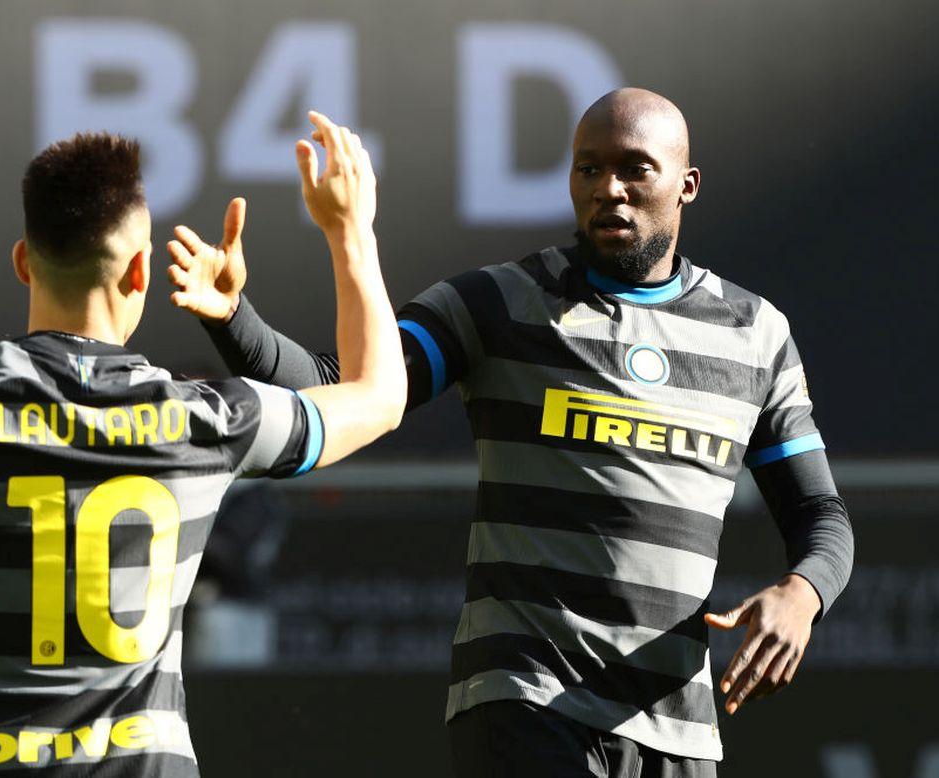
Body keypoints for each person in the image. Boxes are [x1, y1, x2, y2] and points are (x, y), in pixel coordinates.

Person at [169, 88, 854, 777]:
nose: (608, 189)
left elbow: (819, 514)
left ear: (687, 185)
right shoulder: (499, 302)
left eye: (634, 169)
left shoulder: (755, 333)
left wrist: (804, 595)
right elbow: (350, 383)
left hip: (679, 729)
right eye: (588, 169)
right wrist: (233, 319)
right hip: (526, 703)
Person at [0, 111, 405, 776]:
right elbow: (379, 396)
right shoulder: (207, 418)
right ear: (140, 271)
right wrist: (349, 233)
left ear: (24, 262)